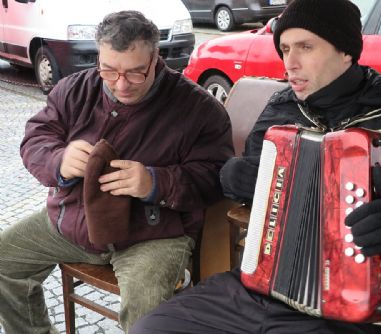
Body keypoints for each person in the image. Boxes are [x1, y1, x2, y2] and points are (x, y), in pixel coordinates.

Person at [130, 0, 381, 333]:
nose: (290, 63)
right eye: (285, 49)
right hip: (257, 287)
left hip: (348, 309)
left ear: (345, 50)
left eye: (306, 47)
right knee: (152, 328)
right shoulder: (281, 109)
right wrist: (235, 177)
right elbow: (254, 185)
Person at [0, 10, 233, 334]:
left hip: (153, 233)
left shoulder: (199, 108)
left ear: (155, 59)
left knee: (146, 312)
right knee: (3, 261)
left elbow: (216, 176)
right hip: (73, 218)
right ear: (98, 57)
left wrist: (156, 182)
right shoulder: (74, 89)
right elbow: (36, 137)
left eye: (136, 73)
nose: (121, 84)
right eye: (109, 71)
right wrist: (59, 160)